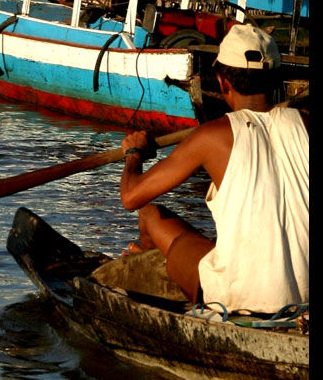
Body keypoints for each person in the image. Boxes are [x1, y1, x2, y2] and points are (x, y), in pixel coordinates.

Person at [118, 24, 308, 314]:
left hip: (240, 301)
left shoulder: (211, 136)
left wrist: (134, 153)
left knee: (149, 215)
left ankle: (152, 274)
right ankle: (156, 264)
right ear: (276, 80)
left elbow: (131, 197)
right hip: (305, 298)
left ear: (223, 83)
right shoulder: (305, 125)